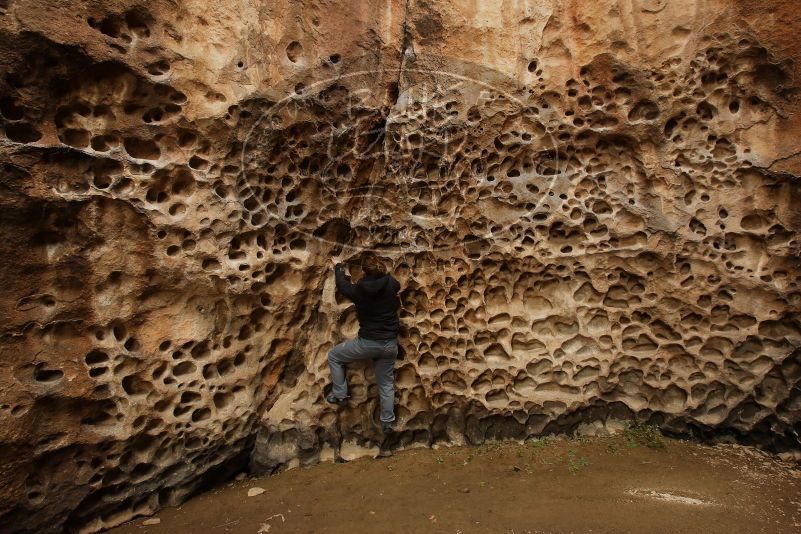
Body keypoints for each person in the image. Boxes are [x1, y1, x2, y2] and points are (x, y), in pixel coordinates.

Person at [327, 254, 401, 433]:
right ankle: (387, 422)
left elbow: (343, 287)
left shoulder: (359, 289)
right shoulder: (391, 284)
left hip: (367, 343)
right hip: (389, 345)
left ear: (363, 271)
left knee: (334, 355)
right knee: (386, 384)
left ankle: (340, 394)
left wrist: (340, 268)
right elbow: (394, 283)